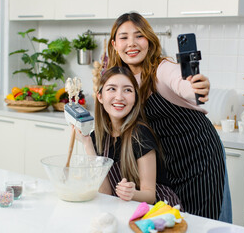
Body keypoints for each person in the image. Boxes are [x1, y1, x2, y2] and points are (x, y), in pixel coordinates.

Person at [106, 12, 232, 222]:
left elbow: (182, 84)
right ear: (114, 44)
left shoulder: (161, 69)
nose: (132, 43)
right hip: (168, 161)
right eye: (124, 37)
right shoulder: (122, 79)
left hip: (200, 156)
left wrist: (195, 88)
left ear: (149, 39)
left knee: (206, 221)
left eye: (139, 36)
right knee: (177, 220)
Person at [75, 66, 181, 206]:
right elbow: (105, 192)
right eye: (112, 89)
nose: (119, 97)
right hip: (123, 207)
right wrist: (87, 143)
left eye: (127, 90)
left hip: (158, 210)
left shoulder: (140, 135)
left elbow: (149, 195)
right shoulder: (97, 137)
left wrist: (132, 193)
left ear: (135, 98)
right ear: (100, 96)